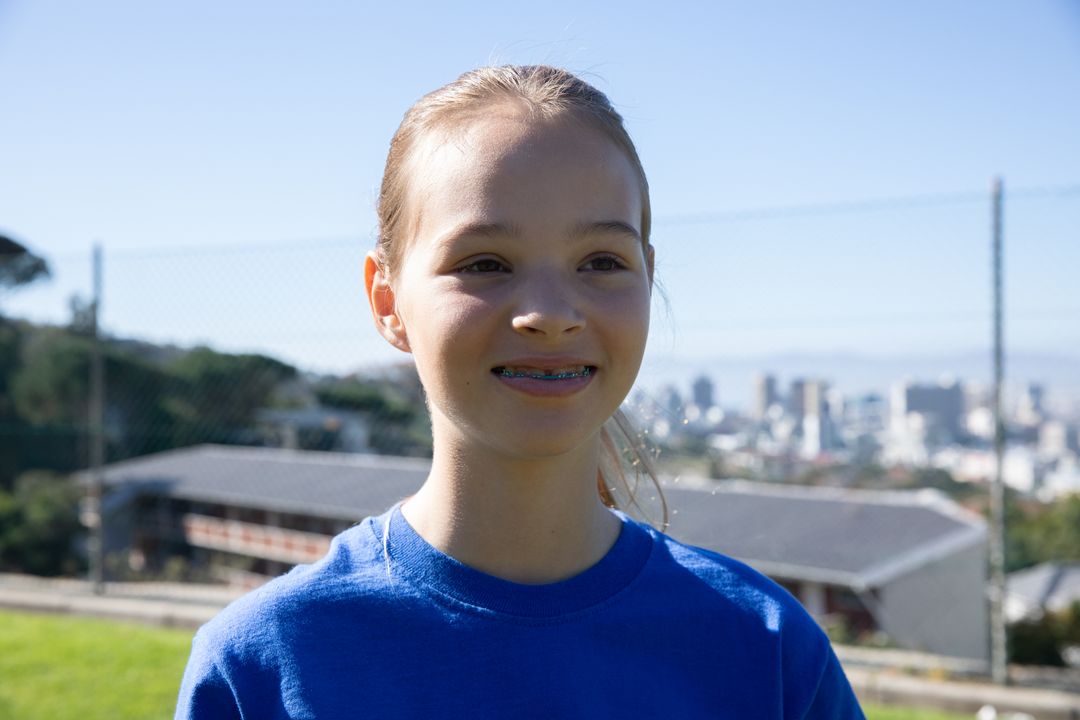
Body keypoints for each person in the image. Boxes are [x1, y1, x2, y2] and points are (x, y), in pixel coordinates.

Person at [175, 65, 865, 719]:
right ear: (386, 300)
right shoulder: (266, 663)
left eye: (601, 261)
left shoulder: (768, 651)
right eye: (484, 264)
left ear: (648, 279)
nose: (551, 312)